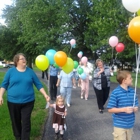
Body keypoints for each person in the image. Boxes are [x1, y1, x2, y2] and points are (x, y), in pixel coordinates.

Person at [0, 53, 50, 140]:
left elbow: (38, 84)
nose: (24, 60)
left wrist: (45, 95)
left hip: (28, 102)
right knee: (15, 122)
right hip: (13, 102)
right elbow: (4, 84)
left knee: (26, 122)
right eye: (22, 59)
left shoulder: (30, 71)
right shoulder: (11, 72)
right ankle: (18, 137)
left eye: (24, 58)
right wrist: (0, 96)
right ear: (16, 61)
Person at [107, 70, 138, 140]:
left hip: (130, 124)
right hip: (119, 125)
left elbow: (136, 105)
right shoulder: (116, 93)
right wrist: (124, 109)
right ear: (124, 81)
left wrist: (135, 108)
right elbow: (110, 109)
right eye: (130, 78)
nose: (132, 79)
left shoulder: (132, 92)